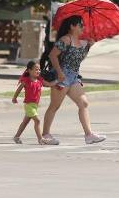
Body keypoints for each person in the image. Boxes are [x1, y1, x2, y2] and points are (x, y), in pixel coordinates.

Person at [40, 15, 105, 146]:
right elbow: (52, 55)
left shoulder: (80, 41)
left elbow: (79, 60)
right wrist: (59, 73)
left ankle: (89, 135)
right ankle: (45, 135)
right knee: (54, 106)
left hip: (74, 77)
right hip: (62, 76)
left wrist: (88, 47)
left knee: (84, 103)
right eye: (80, 24)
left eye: (82, 25)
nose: (83, 27)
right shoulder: (65, 39)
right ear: (72, 26)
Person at [12, 60, 54, 144]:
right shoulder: (26, 80)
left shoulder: (40, 80)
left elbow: (49, 84)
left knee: (25, 123)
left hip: (35, 105)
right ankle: (40, 139)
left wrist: (57, 82)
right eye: (36, 69)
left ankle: (16, 137)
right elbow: (19, 89)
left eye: (39, 69)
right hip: (28, 105)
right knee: (37, 121)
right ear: (29, 70)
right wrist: (14, 98)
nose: (38, 71)